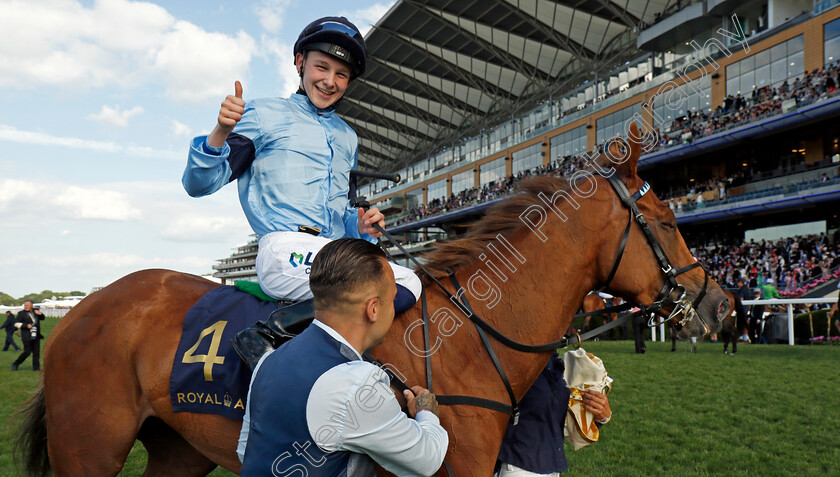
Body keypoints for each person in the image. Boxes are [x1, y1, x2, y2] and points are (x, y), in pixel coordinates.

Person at [182, 16, 422, 364]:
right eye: (321, 67)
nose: (329, 81)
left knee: (411, 282)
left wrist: (360, 226)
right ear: (300, 62)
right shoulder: (263, 114)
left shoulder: (348, 137)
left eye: (341, 74)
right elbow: (199, 184)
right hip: (286, 250)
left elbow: (341, 211)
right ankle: (265, 335)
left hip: (336, 252)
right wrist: (219, 132)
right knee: (373, 286)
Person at [237, 238, 448, 476]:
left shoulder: (267, 361)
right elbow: (427, 459)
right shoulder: (357, 384)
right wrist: (426, 412)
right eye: (392, 300)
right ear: (373, 309)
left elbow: (246, 451)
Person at [497, 353, 612, 476]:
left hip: (551, 467)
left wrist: (601, 416)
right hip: (518, 467)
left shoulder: (554, 364)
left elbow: (560, 421)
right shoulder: (512, 361)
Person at [11, 301, 45, 371]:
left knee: (36, 352)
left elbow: (42, 318)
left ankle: (36, 368)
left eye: (28, 305)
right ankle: (15, 363)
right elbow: (16, 323)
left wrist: (40, 314)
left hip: (36, 335)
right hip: (26, 335)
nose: (26, 306)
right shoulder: (21, 313)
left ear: (31, 306)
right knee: (27, 352)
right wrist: (26, 325)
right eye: (25, 305)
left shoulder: (36, 311)